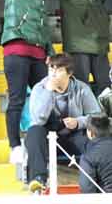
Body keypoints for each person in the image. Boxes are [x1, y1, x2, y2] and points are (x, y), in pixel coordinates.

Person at [22, 53, 99, 193]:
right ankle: (38, 178)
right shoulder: (40, 88)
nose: (53, 74)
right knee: (34, 132)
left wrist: (78, 122)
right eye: (51, 69)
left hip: (73, 134)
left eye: (58, 70)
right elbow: (38, 120)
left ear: (69, 73)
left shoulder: (81, 88)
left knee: (93, 141)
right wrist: (48, 92)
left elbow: (97, 117)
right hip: (47, 136)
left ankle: (97, 182)